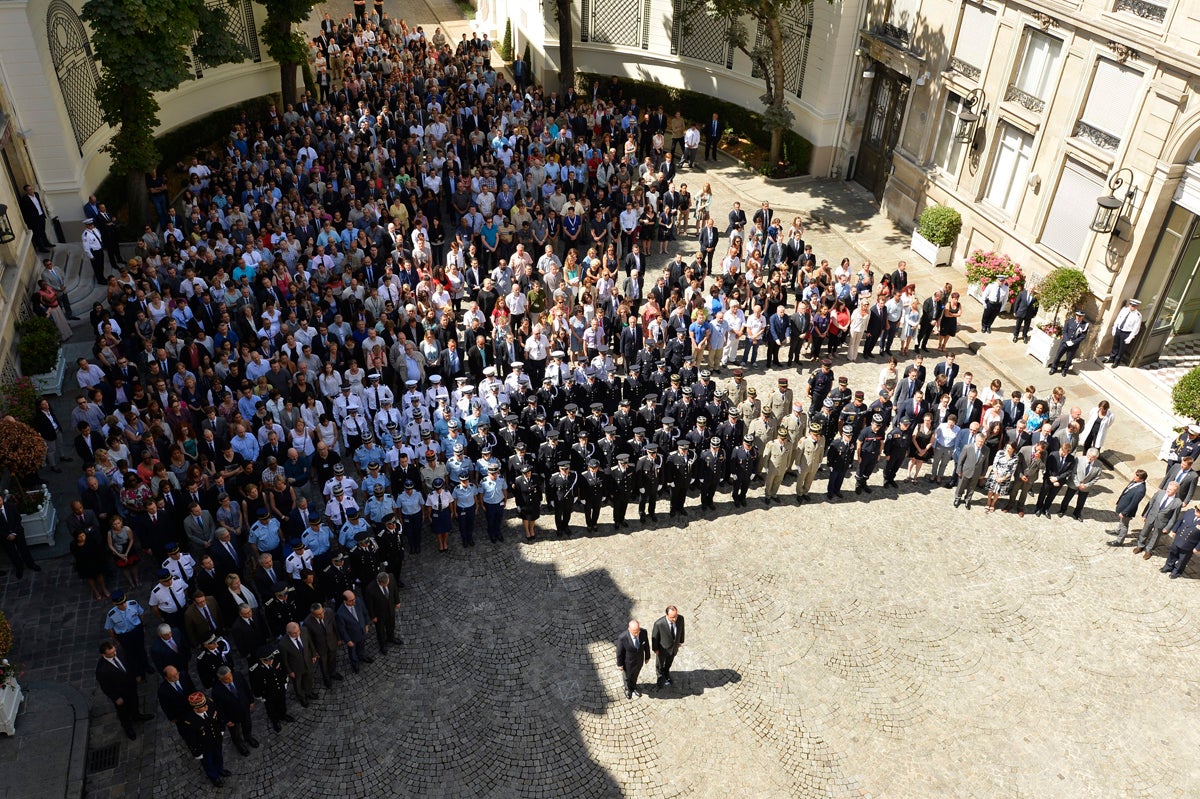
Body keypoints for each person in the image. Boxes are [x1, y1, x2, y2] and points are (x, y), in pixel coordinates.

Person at [95, 640, 154, 740]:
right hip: (120, 693)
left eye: (114, 651)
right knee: (123, 712)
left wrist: (137, 674)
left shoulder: (120, 651)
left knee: (135, 702)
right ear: (103, 654)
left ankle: (137, 715)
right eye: (111, 654)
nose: (114, 654)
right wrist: (116, 698)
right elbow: (105, 687)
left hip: (131, 685)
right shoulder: (102, 669)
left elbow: (130, 662)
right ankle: (127, 728)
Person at [177, 692, 230, 786]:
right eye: (203, 707)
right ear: (195, 708)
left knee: (218, 755)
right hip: (204, 746)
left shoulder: (210, 704)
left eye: (206, 705)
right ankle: (214, 777)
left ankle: (220, 769)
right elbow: (191, 739)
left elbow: (219, 716)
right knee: (208, 762)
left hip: (216, 739)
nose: (207, 707)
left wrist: (221, 730)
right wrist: (197, 752)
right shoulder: (189, 721)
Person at [209, 665, 258, 756]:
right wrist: (225, 720)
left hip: (244, 708)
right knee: (235, 733)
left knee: (247, 724)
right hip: (231, 716)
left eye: (230, 676)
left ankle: (248, 737)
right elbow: (218, 708)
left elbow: (246, 688)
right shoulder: (216, 691)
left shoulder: (238, 675)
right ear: (220, 679)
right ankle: (239, 744)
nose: (230, 680)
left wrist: (251, 700)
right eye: (226, 679)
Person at [248, 645, 292, 731]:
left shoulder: (276, 658)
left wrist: (285, 681)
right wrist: (259, 696)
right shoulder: (255, 669)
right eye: (267, 660)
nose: (271, 662)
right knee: (271, 709)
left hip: (280, 687)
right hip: (268, 694)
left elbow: (282, 669)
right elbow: (254, 684)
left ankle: (283, 715)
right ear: (261, 659)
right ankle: (275, 721)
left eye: (271, 659)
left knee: (282, 702)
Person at [278, 621, 318, 706]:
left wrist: (314, 654)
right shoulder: (283, 644)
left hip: (308, 662)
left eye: (298, 631)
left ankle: (309, 692)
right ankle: (302, 698)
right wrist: (289, 671)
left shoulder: (304, 630)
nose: (297, 634)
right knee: (297, 685)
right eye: (294, 633)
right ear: (288, 633)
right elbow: (284, 660)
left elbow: (310, 642)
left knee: (309, 679)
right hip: (295, 669)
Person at [0, 492, 39, 578]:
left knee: (24, 549)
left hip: (17, 532)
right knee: (12, 553)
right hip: (5, 537)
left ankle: (31, 564)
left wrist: (14, 533)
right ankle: (19, 568)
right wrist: (7, 535)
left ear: (2, 499)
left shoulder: (10, 506)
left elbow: (18, 519)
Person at [1057, 447, 1103, 520]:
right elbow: (1073, 472)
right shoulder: (1079, 459)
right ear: (1087, 454)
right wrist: (1078, 484)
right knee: (1067, 498)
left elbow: (1097, 477)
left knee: (1081, 501)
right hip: (1074, 483)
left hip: (1086, 486)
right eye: (1089, 456)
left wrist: (1086, 485)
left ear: (1096, 457)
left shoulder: (1099, 464)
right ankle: (1062, 510)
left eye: (1093, 457)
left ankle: (1077, 513)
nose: (1090, 459)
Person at [334, 589, 373, 672]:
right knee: (352, 652)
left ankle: (362, 656)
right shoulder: (340, 613)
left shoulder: (358, 601)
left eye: (354, 598)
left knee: (362, 645)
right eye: (351, 600)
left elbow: (365, 612)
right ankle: (355, 664)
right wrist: (348, 640)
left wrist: (366, 624)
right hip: (352, 637)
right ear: (345, 601)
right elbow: (342, 629)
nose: (354, 601)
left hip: (362, 631)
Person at [363, 571, 401, 654]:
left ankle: (391, 637)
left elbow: (395, 589)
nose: (388, 584)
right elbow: (369, 605)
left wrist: (397, 601)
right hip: (379, 614)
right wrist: (373, 616)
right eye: (386, 584)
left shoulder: (390, 577)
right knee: (380, 630)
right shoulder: (370, 589)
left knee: (391, 624)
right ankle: (382, 645)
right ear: (380, 583)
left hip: (390, 608)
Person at [1106, 470, 1148, 544]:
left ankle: (1119, 541)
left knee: (1124, 525)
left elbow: (1133, 503)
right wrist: (1119, 501)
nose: (1134, 477)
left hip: (1127, 510)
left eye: (1136, 476)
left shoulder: (1140, 490)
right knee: (1121, 522)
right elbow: (1125, 491)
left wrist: (1124, 512)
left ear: (1141, 479)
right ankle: (1118, 531)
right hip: (1123, 505)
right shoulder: (1134, 481)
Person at [651, 606, 685, 689]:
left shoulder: (680, 619)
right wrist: (655, 649)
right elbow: (655, 637)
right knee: (659, 665)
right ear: (666, 615)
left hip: (673, 648)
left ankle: (666, 673)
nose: (675, 619)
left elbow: (682, 630)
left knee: (669, 662)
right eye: (672, 617)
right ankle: (659, 677)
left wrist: (680, 641)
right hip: (662, 649)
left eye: (676, 616)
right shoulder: (659, 624)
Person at [615, 619, 650, 699]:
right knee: (627, 677)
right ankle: (628, 689)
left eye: (638, 631)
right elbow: (619, 653)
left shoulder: (643, 632)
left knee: (635, 675)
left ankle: (633, 687)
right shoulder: (622, 638)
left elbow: (646, 645)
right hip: (628, 663)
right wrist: (620, 664)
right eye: (634, 632)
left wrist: (647, 656)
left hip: (639, 661)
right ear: (629, 629)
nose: (637, 633)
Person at [1161, 507, 1200, 579]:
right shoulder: (1190, 512)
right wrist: (1174, 530)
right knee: (1172, 553)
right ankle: (1168, 566)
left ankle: (1176, 571)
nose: (1196, 511)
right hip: (1179, 537)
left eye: (1198, 511)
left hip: (1190, 543)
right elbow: (1180, 521)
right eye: (1196, 509)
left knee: (1182, 559)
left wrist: (1197, 548)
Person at [1102, 298, 1142, 366]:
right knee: (1115, 345)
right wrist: (1114, 328)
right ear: (1129, 304)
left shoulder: (1138, 315)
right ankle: (1111, 358)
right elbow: (1118, 319)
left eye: (1134, 306)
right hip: (1119, 330)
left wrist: (1130, 337)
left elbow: (1136, 328)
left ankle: (1117, 361)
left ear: (1137, 306)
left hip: (1126, 333)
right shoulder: (1124, 310)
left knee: (1121, 348)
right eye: (1131, 305)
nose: (1132, 307)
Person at [1048, 310, 1090, 376]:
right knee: (1058, 356)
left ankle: (1064, 369)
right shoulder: (1070, 321)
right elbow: (1064, 331)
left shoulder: (1084, 325)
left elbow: (1082, 336)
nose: (1078, 317)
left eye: (1080, 316)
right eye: (1077, 315)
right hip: (1065, 342)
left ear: (1083, 317)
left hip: (1073, 345)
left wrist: (1073, 342)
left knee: (1069, 359)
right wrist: (1067, 340)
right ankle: (1053, 368)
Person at [953, 432, 988, 509]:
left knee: (972, 488)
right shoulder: (967, 447)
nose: (980, 443)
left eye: (982, 442)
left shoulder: (986, 450)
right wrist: (959, 470)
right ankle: (957, 498)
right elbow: (961, 460)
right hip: (965, 471)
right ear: (975, 440)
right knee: (961, 486)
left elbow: (986, 463)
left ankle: (968, 500)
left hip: (976, 473)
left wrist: (983, 474)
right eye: (979, 441)